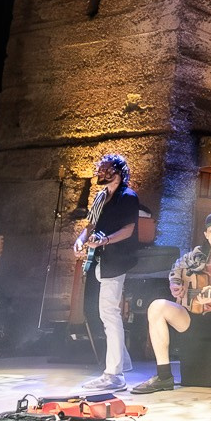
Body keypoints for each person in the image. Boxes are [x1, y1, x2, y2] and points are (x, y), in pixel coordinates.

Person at [134, 211, 211, 395]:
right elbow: (176, 268)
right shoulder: (197, 254)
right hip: (196, 316)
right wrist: (175, 284)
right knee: (156, 307)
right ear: (206, 234)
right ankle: (164, 376)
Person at [76, 154, 142, 392]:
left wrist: (105, 240)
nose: (102, 173)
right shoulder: (101, 196)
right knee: (100, 312)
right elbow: (91, 225)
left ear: (119, 172)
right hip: (100, 261)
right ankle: (123, 362)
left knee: (109, 313)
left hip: (116, 260)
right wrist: (80, 239)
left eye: (106, 169)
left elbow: (128, 230)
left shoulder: (128, 196)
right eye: (101, 169)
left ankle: (114, 374)